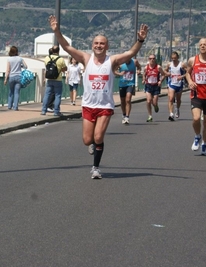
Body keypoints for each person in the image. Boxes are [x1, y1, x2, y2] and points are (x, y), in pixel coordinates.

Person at [48, 15, 148, 179]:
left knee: (98, 136)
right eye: (96, 43)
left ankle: (95, 167)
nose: (99, 45)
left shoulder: (113, 60)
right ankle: (94, 145)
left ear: (107, 46)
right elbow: (66, 47)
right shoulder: (86, 58)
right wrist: (57, 31)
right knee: (88, 140)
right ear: (92, 45)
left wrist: (140, 40)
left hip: (105, 106)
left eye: (102, 43)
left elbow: (131, 52)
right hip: (88, 105)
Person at [41, 45, 67, 116]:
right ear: (58, 51)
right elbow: (65, 68)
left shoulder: (47, 58)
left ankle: (43, 110)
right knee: (57, 95)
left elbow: (46, 67)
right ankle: (56, 111)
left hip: (49, 79)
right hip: (58, 79)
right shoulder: (61, 59)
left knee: (47, 94)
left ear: (52, 50)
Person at [115, 58, 141, 124]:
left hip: (131, 84)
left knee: (128, 99)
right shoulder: (120, 63)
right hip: (122, 84)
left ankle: (127, 116)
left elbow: (139, 66)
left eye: (128, 59)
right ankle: (124, 114)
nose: (126, 61)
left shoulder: (134, 61)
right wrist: (119, 74)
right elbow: (114, 70)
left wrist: (139, 70)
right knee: (122, 101)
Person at [142, 55, 167, 122]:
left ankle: (156, 106)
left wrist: (160, 81)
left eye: (153, 58)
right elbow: (144, 75)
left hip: (156, 86)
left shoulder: (158, 67)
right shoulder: (146, 67)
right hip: (148, 85)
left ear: (155, 59)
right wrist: (143, 80)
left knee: (154, 102)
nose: (152, 60)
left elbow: (164, 75)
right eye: (150, 58)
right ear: (148, 59)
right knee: (148, 101)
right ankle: (150, 116)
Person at [164, 51, 187, 121]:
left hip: (179, 83)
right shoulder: (169, 64)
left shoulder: (182, 64)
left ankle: (177, 108)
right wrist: (167, 73)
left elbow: (189, 72)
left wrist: (182, 76)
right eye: (172, 58)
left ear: (177, 58)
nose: (173, 60)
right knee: (171, 98)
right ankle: (171, 114)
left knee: (178, 99)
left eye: (175, 58)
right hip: (171, 83)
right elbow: (164, 70)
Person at [4, 46, 27, 111]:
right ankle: (15, 107)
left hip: (11, 76)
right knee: (17, 92)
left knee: (11, 92)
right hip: (18, 76)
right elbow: (26, 66)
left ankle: (9, 106)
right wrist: (21, 66)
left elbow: (8, 70)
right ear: (17, 52)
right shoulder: (20, 59)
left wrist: (5, 79)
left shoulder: (9, 59)